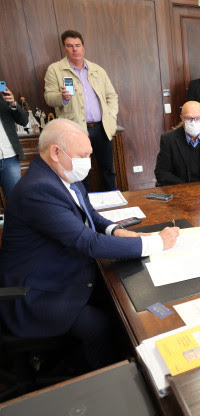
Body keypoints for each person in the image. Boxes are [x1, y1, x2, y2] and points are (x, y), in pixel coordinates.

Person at [0, 119, 179, 370]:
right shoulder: (38, 189)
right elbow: (88, 242)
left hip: (62, 273)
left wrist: (116, 230)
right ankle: (103, 378)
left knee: (127, 300)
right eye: (83, 155)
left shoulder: (62, 175)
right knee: (101, 324)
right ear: (55, 152)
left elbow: (89, 214)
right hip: (36, 294)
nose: (88, 162)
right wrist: (156, 243)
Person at [44, 29, 118, 191]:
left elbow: (111, 96)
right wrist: (62, 98)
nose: (74, 49)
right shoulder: (55, 70)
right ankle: (84, 210)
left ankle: (113, 205)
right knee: (79, 173)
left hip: (101, 128)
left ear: (83, 47)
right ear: (64, 48)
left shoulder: (97, 69)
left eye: (78, 45)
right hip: (74, 131)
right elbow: (49, 97)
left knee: (107, 171)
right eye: (70, 46)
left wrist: (111, 117)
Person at [0, 86, 28, 199]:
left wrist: (13, 104)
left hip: (10, 158)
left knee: (16, 201)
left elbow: (24, 121)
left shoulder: (3, 96)